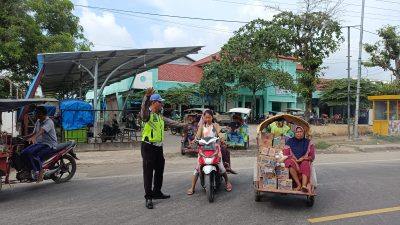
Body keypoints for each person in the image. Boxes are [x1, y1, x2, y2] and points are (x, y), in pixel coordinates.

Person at [140, 87, 187, 209]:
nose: (162, 104)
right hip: (148, 146)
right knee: (148, 172)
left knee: (160, 169)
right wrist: (147, 97)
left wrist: (183, 125)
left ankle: (157, 192)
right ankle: (148, 197)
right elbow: (143, 111)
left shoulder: (159, 116)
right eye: (160, 102)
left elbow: (171, 122)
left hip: (158, 147)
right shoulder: (147, 114)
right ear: (154, 103)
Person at [186, 110, 233, 195]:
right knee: (197, 168)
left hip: (215, 148)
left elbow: (220, 133)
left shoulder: (215, 125)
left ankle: (227, 182)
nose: (207, 119)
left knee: (221, 166)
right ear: (203, 118)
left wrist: (222, 140)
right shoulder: (201, 127)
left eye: (209, 117)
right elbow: (197, 136)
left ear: (212, 117)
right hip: (203, 149)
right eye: (206, 117)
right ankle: (192, 187)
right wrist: (193, 141)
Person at [21, 106, 57, 182]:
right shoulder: (38, 121)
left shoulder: (49, 122)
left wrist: (34, 138)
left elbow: (41, 131)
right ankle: (29, 169)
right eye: (37, 114)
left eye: (39, 114)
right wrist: (24, 137)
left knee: (33, 154)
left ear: (44, 115)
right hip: (40, 143)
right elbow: (34, 132)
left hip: (49, 144)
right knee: (24, 152)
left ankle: (41, 171)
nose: (37, 116)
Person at [283, 126, 315, 193]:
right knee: (289, 162)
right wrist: (295, 161)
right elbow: (285, 154)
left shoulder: (308, 142)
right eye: (297, 132)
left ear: (303, 133)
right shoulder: (289, 141)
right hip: (292, 161)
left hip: (303, 161)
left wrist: (303, 158)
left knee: (305, 163)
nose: (299, 133)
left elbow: (312, 156)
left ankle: (304, 186)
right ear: (295, 133)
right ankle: (299, 185)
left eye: (301, 132)